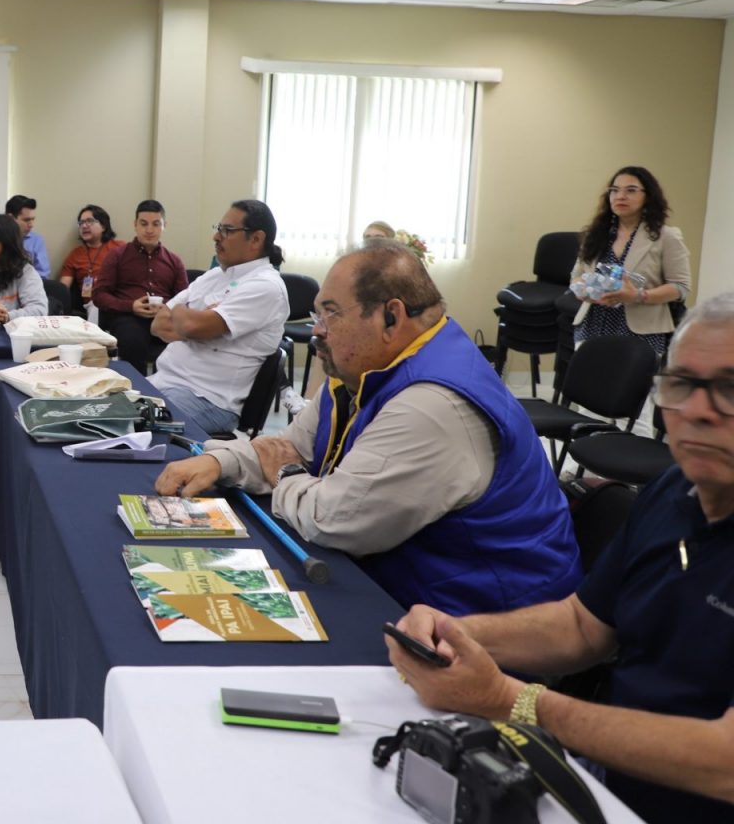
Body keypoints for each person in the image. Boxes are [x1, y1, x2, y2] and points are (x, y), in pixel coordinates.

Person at [388, 293, 734, 824]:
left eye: (730, 389)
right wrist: (455, 633)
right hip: (604, 782)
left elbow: (724, 763)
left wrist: (510, 699)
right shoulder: (673, 491)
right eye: (682, 384)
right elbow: (582, 626)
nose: (698, 411)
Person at [154, 240, 580, 616]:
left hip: (483, 627)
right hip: (406, 589)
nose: (317, 331)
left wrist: (284, 474)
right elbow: (292, 446)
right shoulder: (364, 368)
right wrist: (222, 461)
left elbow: (333, 519)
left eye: (331, 314)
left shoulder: (432, 405)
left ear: (391, 317)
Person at [147, 200, 289, 436]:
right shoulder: (214, 275)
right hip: (164, 381)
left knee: (128, 427)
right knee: (100, 410)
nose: (216, 237)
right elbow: (159, 324)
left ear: (256, 239)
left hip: (206, 399)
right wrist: (200, 321)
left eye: (228, 230)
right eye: (219, 228)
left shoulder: (266, 286)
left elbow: (188, 324)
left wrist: (184, 314)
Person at [571, 165, 691, 357]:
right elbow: (577, 275)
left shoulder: (666, 236)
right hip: (592, 324)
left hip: (643, 330)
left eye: (631, 190)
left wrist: (638, 295)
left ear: (648, 197)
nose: (620, 196)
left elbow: (680, 287)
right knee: (590, 376)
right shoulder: (596, 234)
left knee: (633, 377)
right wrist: (584, 290)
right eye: (614, 190)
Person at [92, 200, 187, 370]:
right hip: (128, 317)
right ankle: (137, 384)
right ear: (135, 225)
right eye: (144, 224)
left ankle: (164, 384)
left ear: (164, 226)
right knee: (132, 339)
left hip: (164, 318)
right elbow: (99, 295)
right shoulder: (117, 255)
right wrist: (131, 306)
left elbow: (184, 298)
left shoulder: (174, 261)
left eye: (156, 224)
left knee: (180, 343)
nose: (149, 230)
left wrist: (166, 307)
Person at [57, 204, 124, 317]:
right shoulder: (75, 255)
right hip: (93, 305)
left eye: (90, 221)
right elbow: (62, 288)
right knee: (95, 307)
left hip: (118, 299)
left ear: (103, 226)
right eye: (81, 223)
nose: (84, 226)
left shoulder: (119, 248)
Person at [6, 194, 51, 277]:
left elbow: (43, 274)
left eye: (33, 219)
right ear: (11, 218)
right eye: (26, 220)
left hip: (30, 283)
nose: (31, 225)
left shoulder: (36, 240)